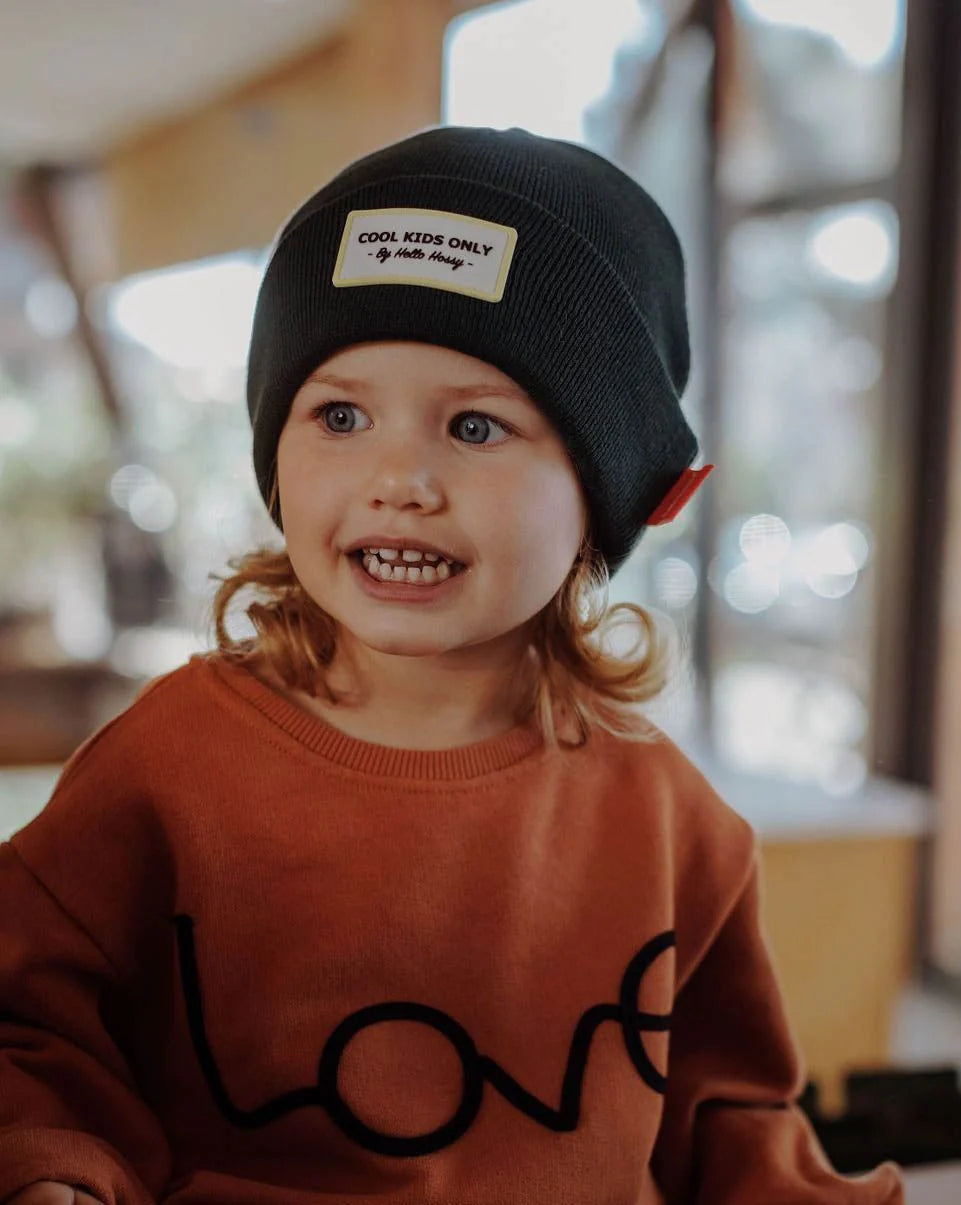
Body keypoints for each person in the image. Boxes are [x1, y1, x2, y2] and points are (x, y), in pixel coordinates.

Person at [0, 125, 903, 1203]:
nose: (399, 479)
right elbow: (28, 1028)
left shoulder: (673, 822)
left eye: (475, 426)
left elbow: (731, 1115)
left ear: (606, 491)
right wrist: (52, 1168)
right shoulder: (163, 767)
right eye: (340, 415)